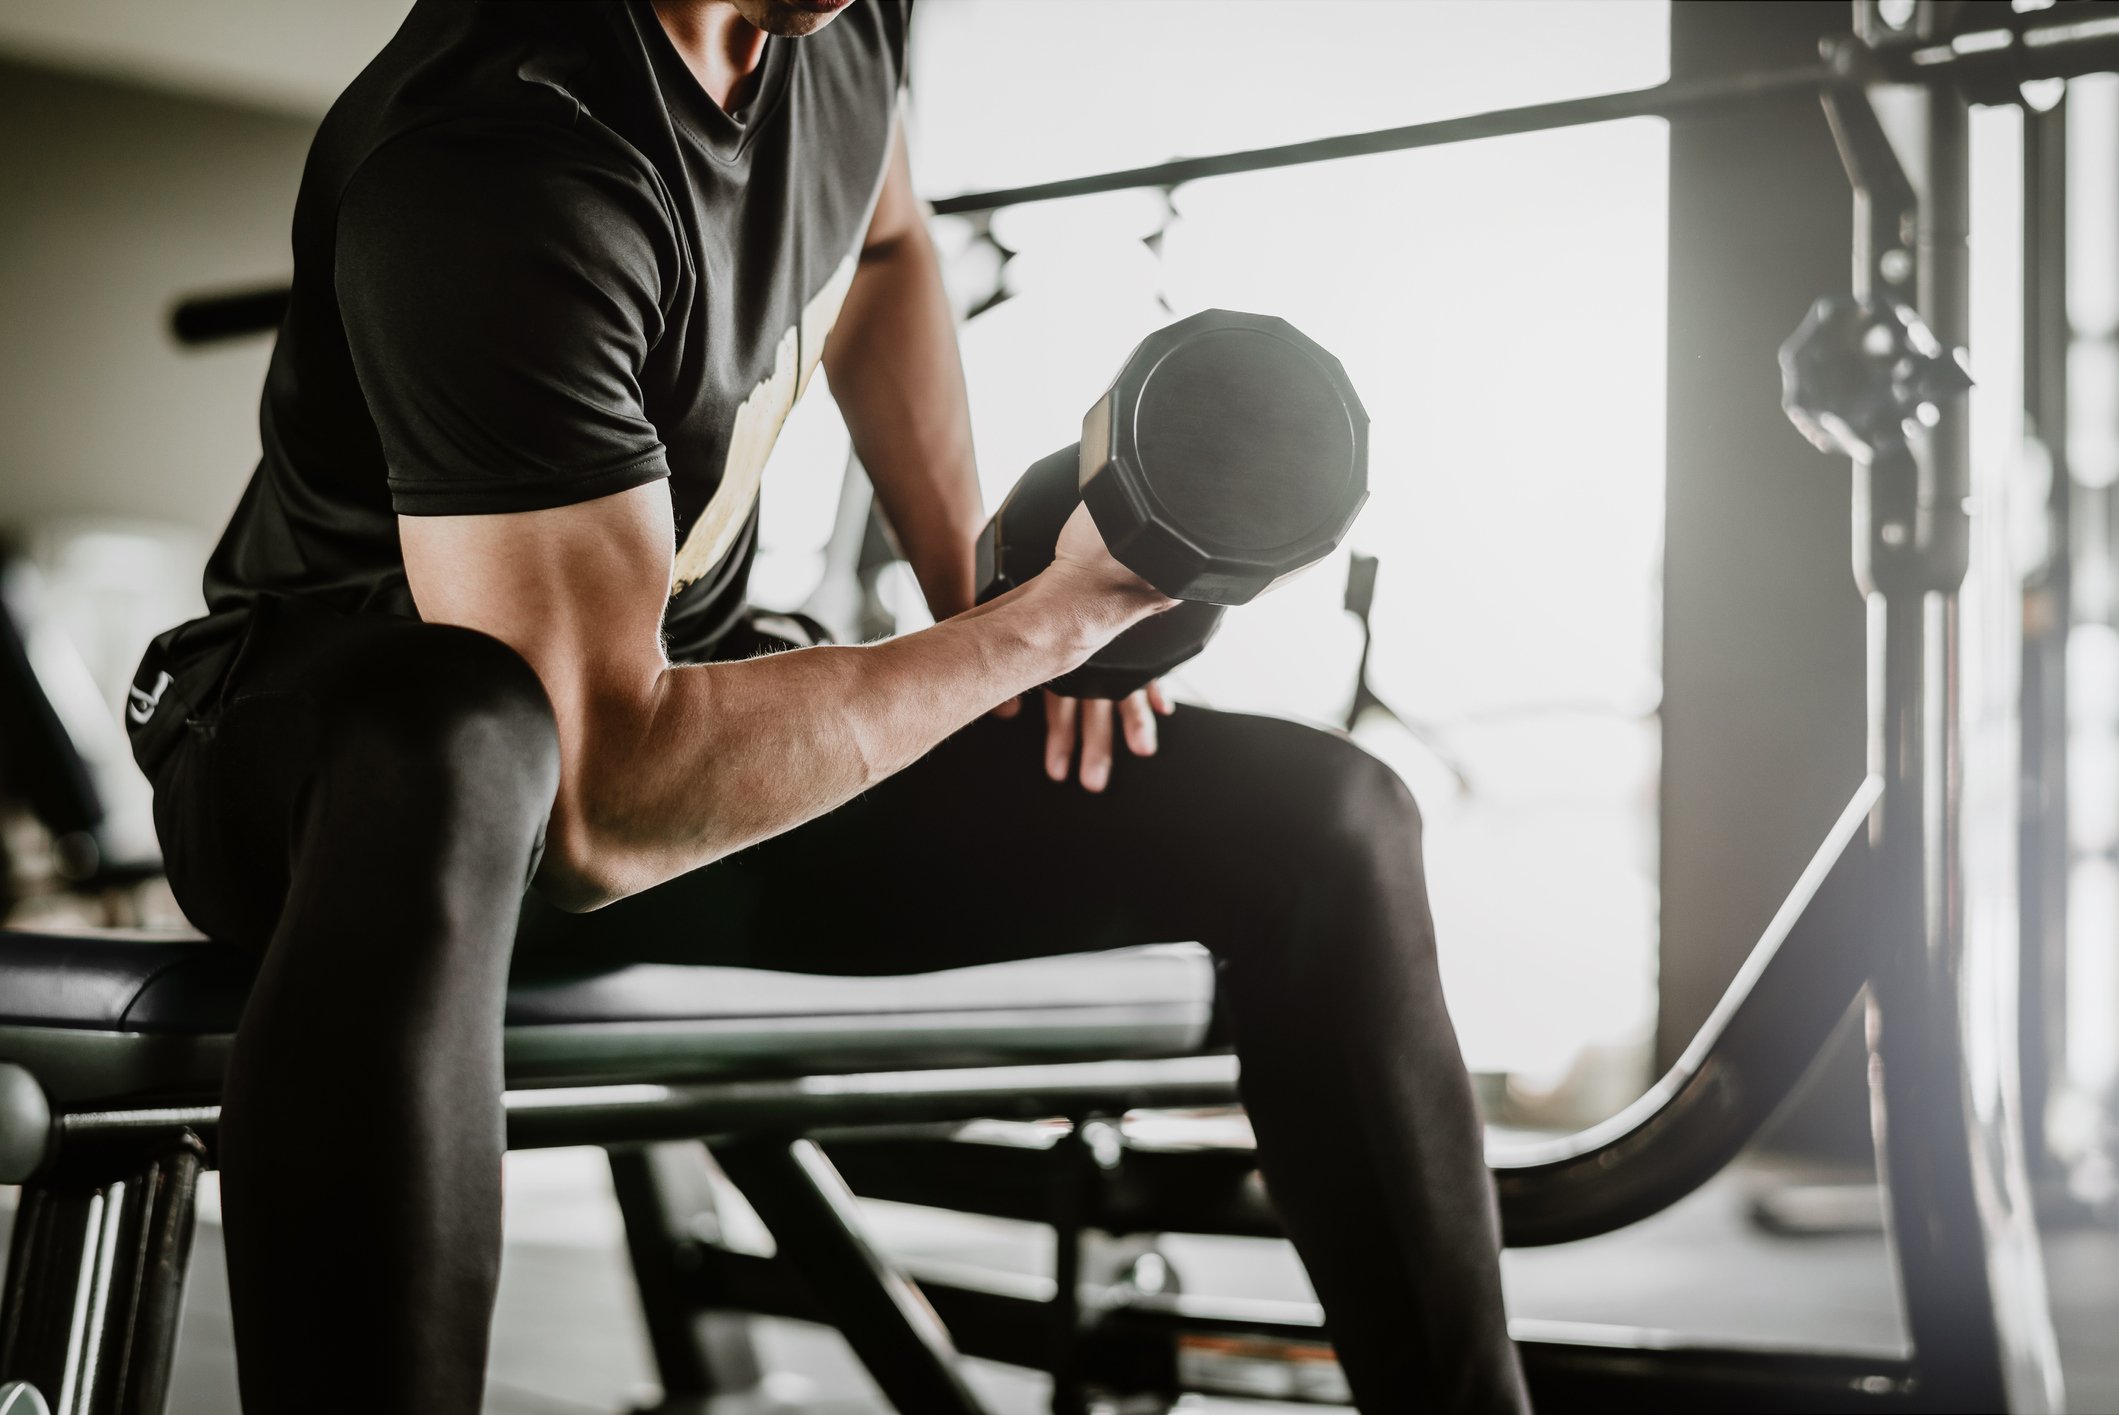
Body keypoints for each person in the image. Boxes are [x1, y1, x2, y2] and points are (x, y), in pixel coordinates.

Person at [125, 1, 1528, 1409]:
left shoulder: (839, 23)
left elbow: (890, 238)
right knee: (468, 734)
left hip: (678, 732)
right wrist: (1035, 634)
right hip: (351, 787)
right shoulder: (500, 161)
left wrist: (976, 597)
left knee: (1330, 822)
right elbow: (602, 803)